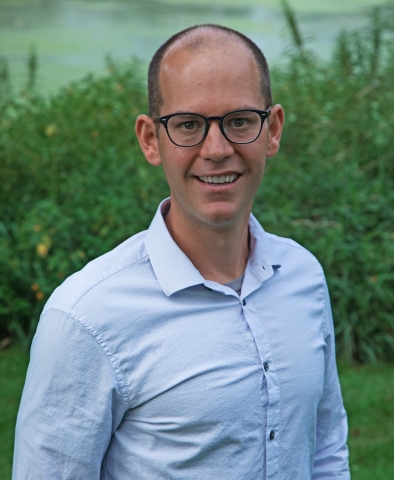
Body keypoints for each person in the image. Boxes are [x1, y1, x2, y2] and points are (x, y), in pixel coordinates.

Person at [13, 24, 350, 479]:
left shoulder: (303, 276)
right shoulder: (86, 318)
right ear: (151, 140)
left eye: (240, 121)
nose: (217, 149)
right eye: (189, 125)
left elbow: (326, 452)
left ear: (272, 130)